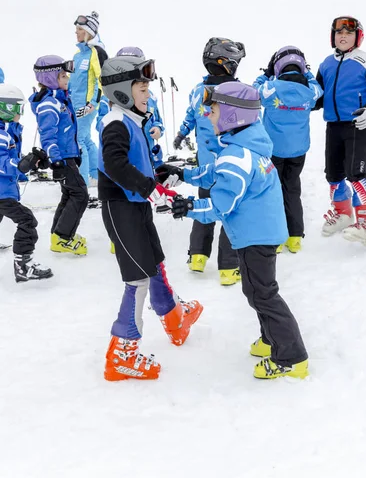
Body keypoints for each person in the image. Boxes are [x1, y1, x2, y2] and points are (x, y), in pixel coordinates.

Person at [157, 82, 308, 379]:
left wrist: (187, 207)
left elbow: (220, 206)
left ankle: (291, 357)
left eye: (213, 111)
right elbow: (215, 172)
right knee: (258, 291)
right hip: (262, 230)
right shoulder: (247, 144)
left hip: (256, 236)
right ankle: (271, 339)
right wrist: (183, 172)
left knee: (262, 294)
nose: (209, 117)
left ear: (231, 115)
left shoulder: (237, 156)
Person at [98, 54, 203, 381]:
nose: (148, 94)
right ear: (121, 92)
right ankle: (122, 353)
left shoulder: (132, 120)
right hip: (120, 208)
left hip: (135, 205)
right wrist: (147, 187)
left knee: (153, 262)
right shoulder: (115, 122)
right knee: (138, 277)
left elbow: (136, 165)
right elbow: (114, 164)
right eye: (141, 88)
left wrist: (159, 176)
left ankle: (174, 318)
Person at [173, 37, 245, 285]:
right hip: (230, 166)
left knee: (203, 205)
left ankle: (197, 257)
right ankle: (229, 267)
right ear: (230, 65)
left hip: (206, 167)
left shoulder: (197, 91)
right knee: (229, 213)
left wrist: (182, 133)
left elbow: (189, 117)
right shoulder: (238, 93)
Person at [315, 16, 366, 247]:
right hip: (333, 125)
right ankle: (344, 214)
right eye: (339, 33)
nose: (343, 37)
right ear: (332, 37)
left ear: (358, 37)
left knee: (355, 173)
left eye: (348, 33)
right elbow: (317, 96)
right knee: (333, 173)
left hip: (357, 125)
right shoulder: (326, 63)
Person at [253, 46, 323, 253]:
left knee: (273, 191)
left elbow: (254, 89)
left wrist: (267, 73)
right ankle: (294, 238)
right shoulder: (310, 92)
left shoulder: (270, 89)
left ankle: (275, 238)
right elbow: (318, 87)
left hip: (273, 150)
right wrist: (307, 72)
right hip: (298, 151)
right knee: (292, 189)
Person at [30, 56, 89, 255]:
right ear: (50, 79)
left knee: (69, 194)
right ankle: (63, 237)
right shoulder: (49, 104)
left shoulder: (60, 99)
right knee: (80, 194)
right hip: (61, 159)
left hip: (67, 156)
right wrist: (56, 159)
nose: (67, 79)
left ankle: (58, 236)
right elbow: (48, 136)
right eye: (62, 76)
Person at [0, 83, 53, 282]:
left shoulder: (7, 131)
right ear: (6, 108)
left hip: (4, 190)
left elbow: (12, 160)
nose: (20, 113)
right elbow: (2, 162)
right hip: (2, 193)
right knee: (27, 220)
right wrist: (22, 164)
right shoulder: (1, 134)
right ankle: (24, 266)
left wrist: (33, 162)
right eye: (18, 108)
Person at [70, 12, 108, 187]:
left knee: (79, 139)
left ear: (88, 32)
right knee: (85, 139)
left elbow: (101, 79)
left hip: (86, 106)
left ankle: (82, 182)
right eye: (76, 29)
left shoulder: (95, 52)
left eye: (79, 29)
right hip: (75, 103)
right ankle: (96, 175)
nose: (76, 33)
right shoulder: (78, 55)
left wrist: (93, 103)